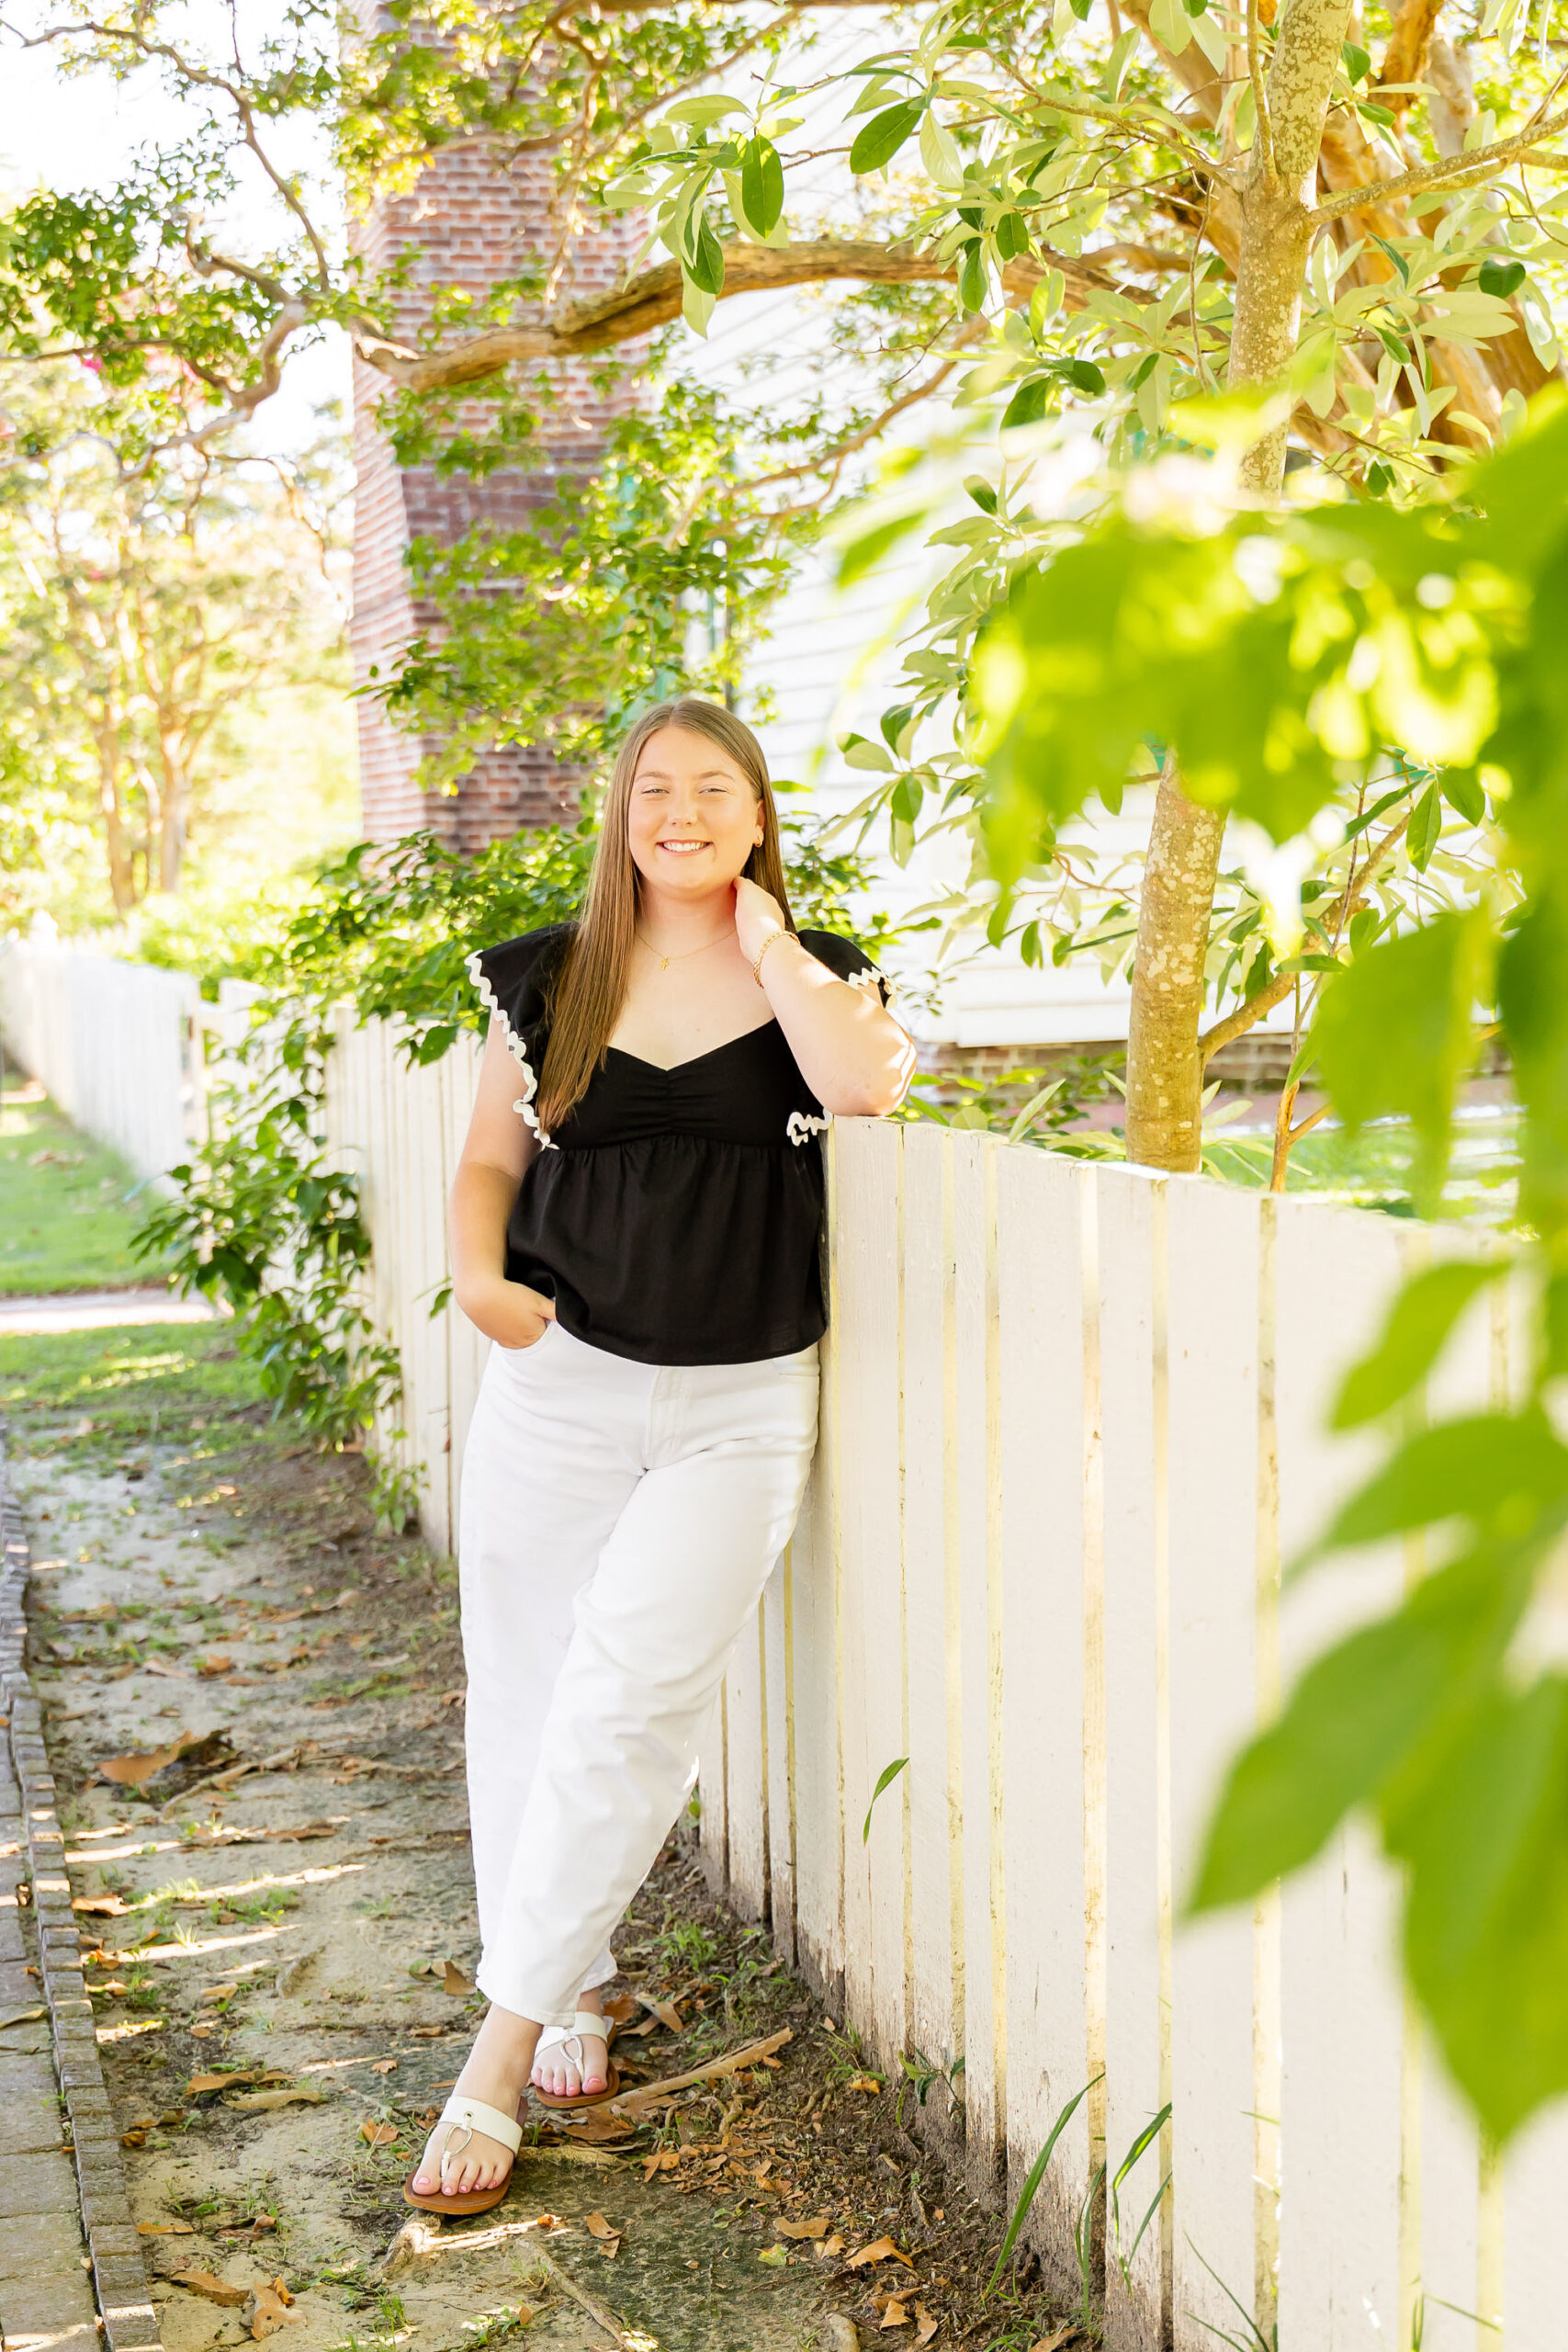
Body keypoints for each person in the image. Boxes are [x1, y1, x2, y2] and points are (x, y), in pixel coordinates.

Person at [407, 697, 915, 2212]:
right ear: (618, 815)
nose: (676, 811)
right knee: (531, 1688)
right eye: (651, 789)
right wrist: (486, 1282)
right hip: (559, 1389)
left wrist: (767, 942)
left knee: (631, 1698)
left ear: (757, 816)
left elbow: (866, 1089)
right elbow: (492, 1155)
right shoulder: (551, 977)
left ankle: (494, 2054)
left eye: (711, 790)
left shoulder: (818, 978)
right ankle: (565, 1986)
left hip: (739, 1405)